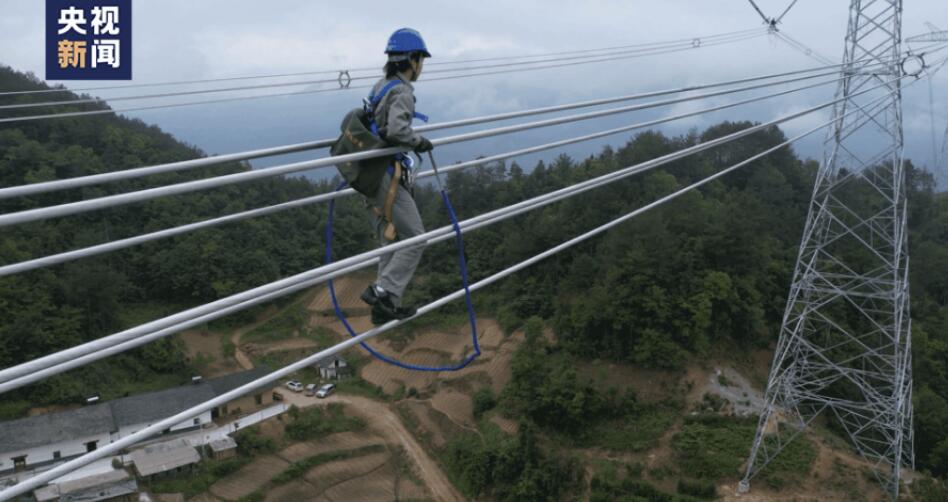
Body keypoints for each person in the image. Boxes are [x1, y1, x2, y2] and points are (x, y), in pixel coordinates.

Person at [359, 28, 434, 325]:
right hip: (386, 176)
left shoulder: (381, 85)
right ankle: (383, 291)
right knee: (415, 238)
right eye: (421, 60)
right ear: (412, 60)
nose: (421, 67)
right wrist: (420, 142)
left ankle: (385, 307)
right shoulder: (402, 90)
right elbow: (396, 131)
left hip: (369, 174)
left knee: (391, 239)